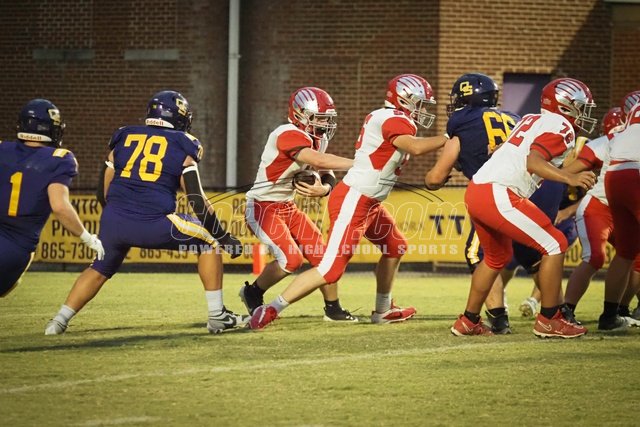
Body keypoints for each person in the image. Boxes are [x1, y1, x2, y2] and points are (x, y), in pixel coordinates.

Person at [248, 73, 449, 329]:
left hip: (368, 200)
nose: (423, 110)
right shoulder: (392, 119)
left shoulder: (389, 120)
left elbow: (325, 169)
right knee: (330, 269)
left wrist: (326, 187)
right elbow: (415, 147)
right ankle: (269, 310)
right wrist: (450, 137)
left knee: (395, 246)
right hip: (355, 199)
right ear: (403, 99)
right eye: (420, 103)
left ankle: (383, 310)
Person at [45, 90, 244, 335]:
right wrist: (224, 237)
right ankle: (217, 316)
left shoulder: (123, 137)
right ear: (179, 117)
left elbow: (102, 192)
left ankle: (58, 322)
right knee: (209, 242)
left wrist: (121, 220)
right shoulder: (184, 144)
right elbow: (197, 201)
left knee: (99, 269)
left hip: (114, 221)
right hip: (153, 222)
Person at [451, 77, 597, 338]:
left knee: (496, 257)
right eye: (581, 106)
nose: (584, 113)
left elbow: (508, 151)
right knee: (555, 243)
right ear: (565, 105)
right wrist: (570, 178)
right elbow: (534, 161)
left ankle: (468, 321)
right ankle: (549, 319)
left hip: (478, 189)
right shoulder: (562, 126)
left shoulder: (531, 119)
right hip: (499, 192)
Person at [240, 86, 357, 322]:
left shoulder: (318, 139)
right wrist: (361, 163)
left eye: (326, 118)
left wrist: (325, 189)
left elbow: (325, 170)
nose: (324, 123)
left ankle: (333, 308)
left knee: (324, 257)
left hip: (288, 207)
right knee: (291, 260)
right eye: (319, 118)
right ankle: (253, 292)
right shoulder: (287, 133)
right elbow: (318, 160)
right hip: (263, 206)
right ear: (300, 114)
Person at [425, 72, 519, 334]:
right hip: (529, 190)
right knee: (537, 254)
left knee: (478, 253)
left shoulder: (462, 120)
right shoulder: (514, 117)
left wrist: (436, 178)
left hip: (497, 193)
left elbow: (434, 179)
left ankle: (494, 319)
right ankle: (558, 312)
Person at [0, 99, 104, 298]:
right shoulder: (59, 158)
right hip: (15, 248)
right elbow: (59, 206)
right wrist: (87, 238)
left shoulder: (2, 148)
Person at [561, 104, 640, 328]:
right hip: (600, 206)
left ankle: (617, 311)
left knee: (630, 255)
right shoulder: (605, 142)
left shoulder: (618, 139)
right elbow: (569, 170)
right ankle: (567, 310)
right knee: (596, 257)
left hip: (617, 190)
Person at [600, 90, 640, 330]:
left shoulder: (634, 111)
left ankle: (609, 316)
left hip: (615, 173)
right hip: (637, 170)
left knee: (626, 252)